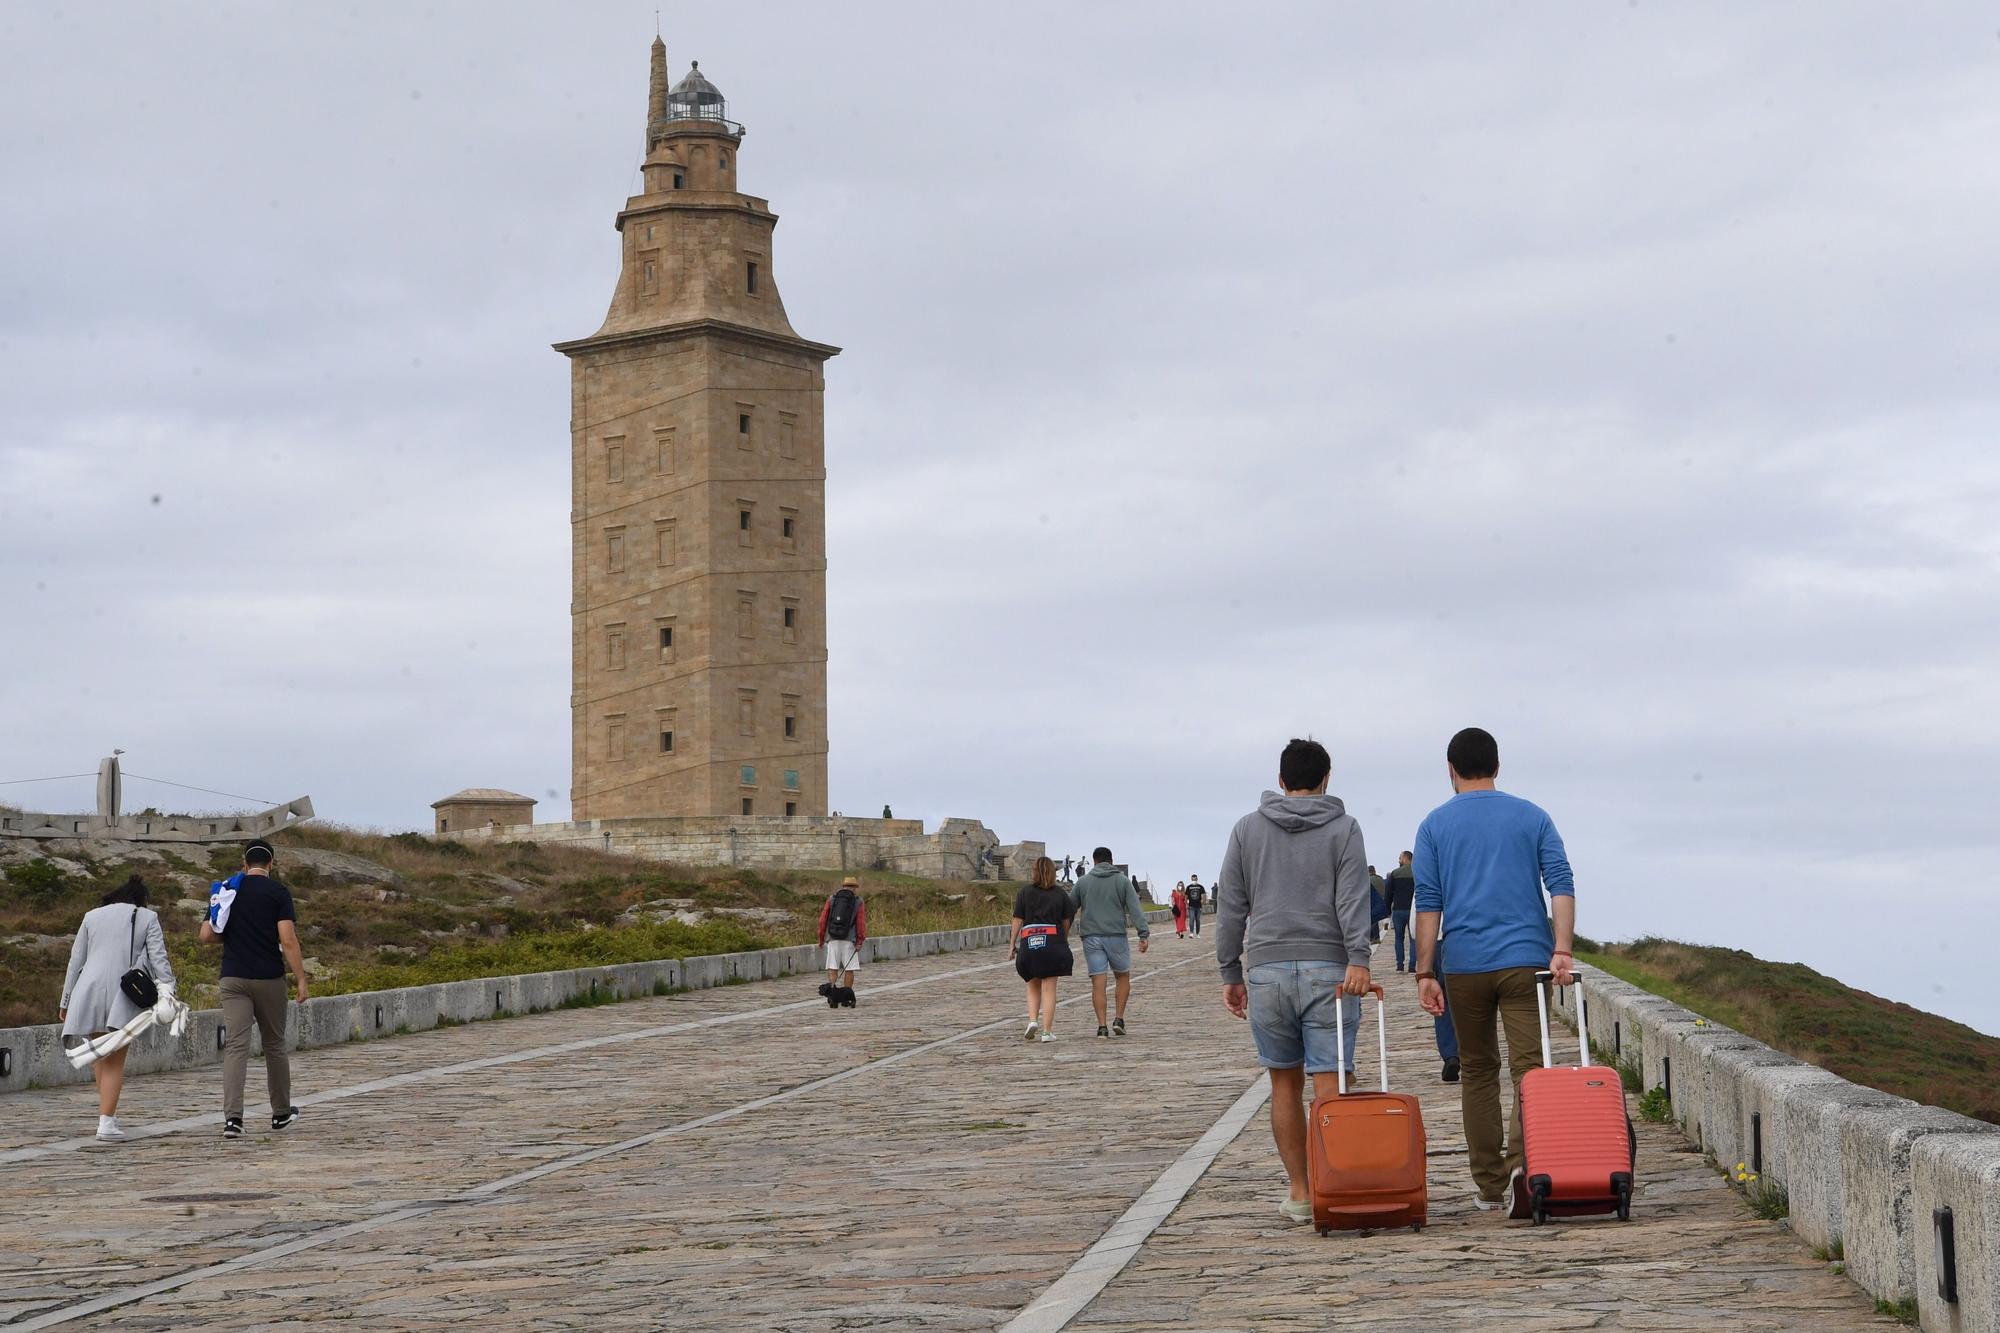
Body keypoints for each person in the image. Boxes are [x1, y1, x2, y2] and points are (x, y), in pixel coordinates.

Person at [1413, 727, 1575, 1218]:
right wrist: (1562, 947)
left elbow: (1430, 905)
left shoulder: (1434, 825)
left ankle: (1488, 1187)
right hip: (1528, 960)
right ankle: (1527, 1165)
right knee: (1531, 1071)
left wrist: (1425, 970)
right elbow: (1561, 883)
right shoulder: (1533, 816)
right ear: (1497, 767)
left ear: (1450, 769)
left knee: (1479, 1072)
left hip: (1463, 965)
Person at [1216, 738, 1373, 1225]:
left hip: (1267, 971)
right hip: (1331, 971)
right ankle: (1333, 1186)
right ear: (1327, 779)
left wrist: (1230, 971)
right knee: (1331, 1083)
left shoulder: (1247, 829)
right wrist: (1359, 958)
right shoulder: (1344, 829)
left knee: (1283, 1085)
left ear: (1281, 781)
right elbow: (1351, 900)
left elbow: (1231, 906)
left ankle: (1301, 1191)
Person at [200, 840, 306, 1139]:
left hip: (233, 978)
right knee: (274, 1045)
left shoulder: (227, 891)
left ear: (244, 863)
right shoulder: (278, 893)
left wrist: (236, 937)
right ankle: (281, 1114)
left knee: (236, 1047)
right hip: (269, 978)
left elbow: (206, 935)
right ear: (271, 864)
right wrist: (301, 978)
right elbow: (287, 940)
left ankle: (233, 1120)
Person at [59, 876, 175, 1142]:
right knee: (113, 1063)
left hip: (87, 990)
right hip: (122, 994)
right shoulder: (147, 917)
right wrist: (169, 990)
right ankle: (106, 1123)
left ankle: (107, 1113)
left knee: (101, 1058)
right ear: (140, 898)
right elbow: (159, 959)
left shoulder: (91, 916)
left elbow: (75, 961)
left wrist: (65, 1001)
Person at [1069, 847, 1150, 1037]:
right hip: (1116, 936)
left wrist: (1061, 935)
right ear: (1111, 861)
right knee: (1122, 977)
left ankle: (1102, 1026)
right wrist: (1143, 934)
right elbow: (1135, 908)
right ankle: (1119, 1019)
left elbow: (1069, 909)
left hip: (1091, 937)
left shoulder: (1083, 882)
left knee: (1098, 981)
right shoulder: (1122, 881)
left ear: (1094, 861)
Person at [1010, 856, 1075, 1042]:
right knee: (1049, 988)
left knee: (1032, 983)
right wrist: (1063, 939)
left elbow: (1017, 919)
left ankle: (1032, 1020)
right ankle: (1047, 1031)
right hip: (1053, 942)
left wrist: (1011, 945)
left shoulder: (1025, 893)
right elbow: (1066, 920)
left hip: (1030, 941)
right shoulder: (1060, 894)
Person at [817, 876, 867, 1007]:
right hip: (849, 940)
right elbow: (860, 923)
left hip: (832, 938)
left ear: (843, 886)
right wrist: (860, 939)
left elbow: (823, 920)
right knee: (849, 969)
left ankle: (832, 997)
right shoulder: (858, 901)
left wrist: (821, 938)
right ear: (854, 888)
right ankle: (845, 998)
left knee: (833, 967)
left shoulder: (832, 899)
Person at [1385, 851, 1417, 972]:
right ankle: (1412, 965)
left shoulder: (1394, 873)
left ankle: (1400, 964)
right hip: (1413, 911)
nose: (1399, 860)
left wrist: (1387, 910)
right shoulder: (1417, 872)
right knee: (1413, 939)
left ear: (1405, 858)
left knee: (1399, 938)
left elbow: (1388, 894)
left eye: (1400, 858)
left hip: (1398, 910)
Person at [1368, 865, 1389, 943]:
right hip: (1382, 900)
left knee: (1372, 920)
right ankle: (1375, 937)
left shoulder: (1368, 880)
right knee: (1378, 918)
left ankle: (1374, 937)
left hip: (1373, 901)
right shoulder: (1380, 879)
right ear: (1374, 871)